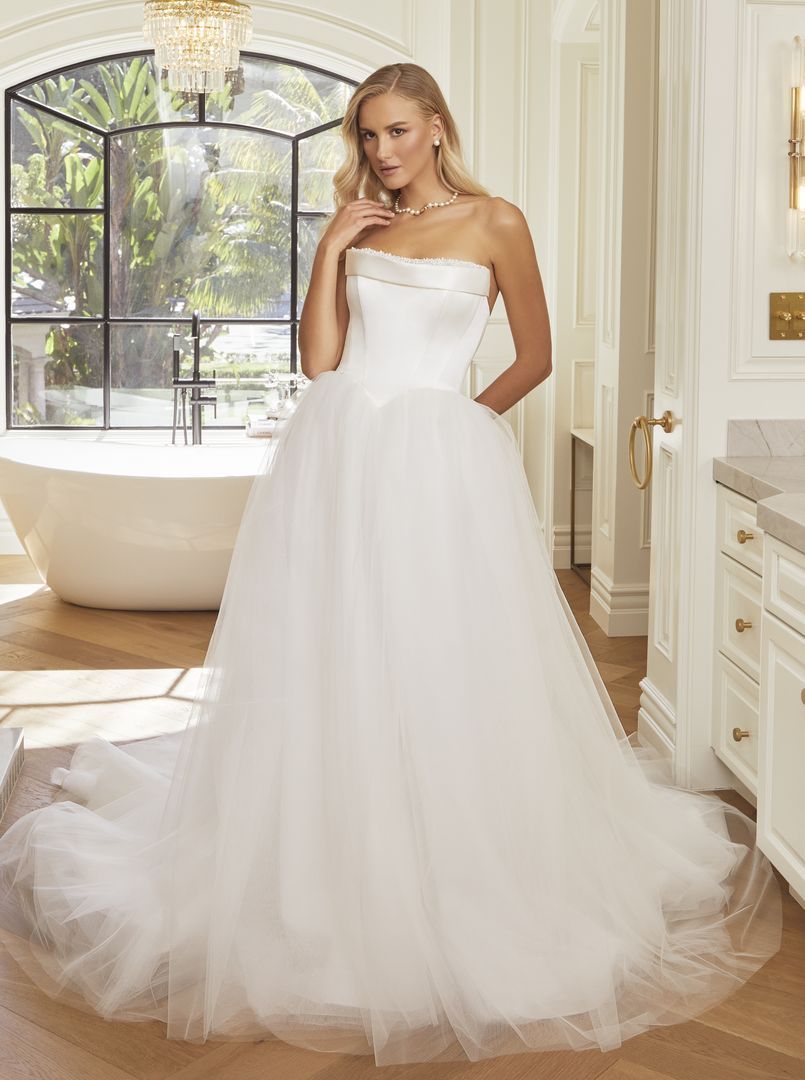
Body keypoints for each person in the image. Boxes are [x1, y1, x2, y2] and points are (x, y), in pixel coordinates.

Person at [0, 62, 782, 1067]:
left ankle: (455, 855)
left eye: (398, 131)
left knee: (438, 649)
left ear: (437, 127)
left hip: (435, 461)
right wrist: (331, 246)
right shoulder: (358, 224)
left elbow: (536, 356)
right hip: (337, 454)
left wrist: (456, 424)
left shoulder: (496, 221)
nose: (382, 151)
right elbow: (320, 362)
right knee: (332, 649)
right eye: (368, 135)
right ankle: (324, 860)